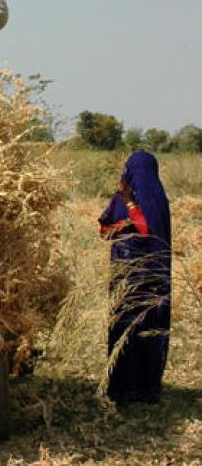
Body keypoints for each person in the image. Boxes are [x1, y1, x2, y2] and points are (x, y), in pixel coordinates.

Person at [98, 150, 171, 406]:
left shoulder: (155, 200)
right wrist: (117, 227)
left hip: (150, 277)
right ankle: (123, 388)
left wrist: (130, 202)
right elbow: (103, 230)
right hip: (124, 277)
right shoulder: (118, 200)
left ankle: (146, 388)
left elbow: (144, 229)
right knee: (123, 327)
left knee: (148, 330)